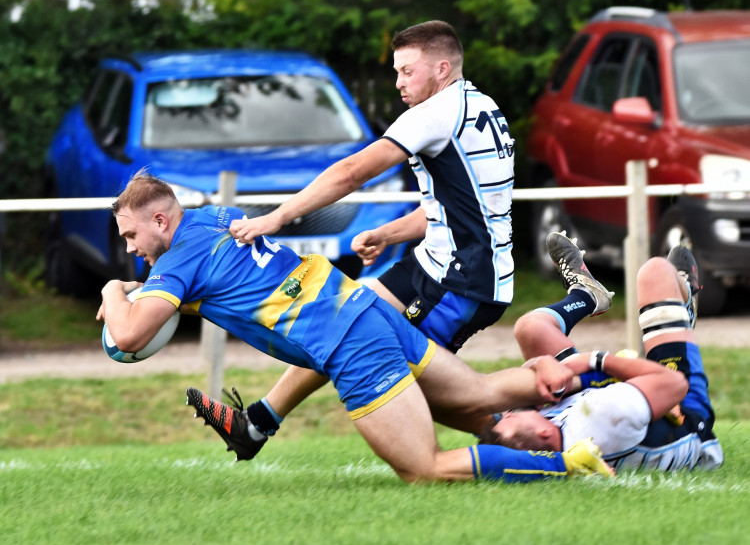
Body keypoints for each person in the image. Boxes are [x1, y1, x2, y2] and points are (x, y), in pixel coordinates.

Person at [97, 170, 614, 484]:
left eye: (131, 234)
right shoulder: (216, 218)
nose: (129, 248)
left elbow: (129, 337)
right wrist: (141, 291)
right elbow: (213, 285)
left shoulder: (176, 264)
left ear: (162, 222)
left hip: (348, 343)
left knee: (424, 469)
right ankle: (602, 373)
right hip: (361, 306)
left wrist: (113, 292)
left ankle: (569, 466)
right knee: (481, 393)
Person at [221, 20, 589, 455]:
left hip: (460, 282)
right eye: (396, 72)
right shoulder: (480, 104)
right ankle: (258, 423)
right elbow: (452, 211)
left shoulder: (436, 114)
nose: (398, 83)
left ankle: (552, 420)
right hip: (433, 265)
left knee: (428, 382)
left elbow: (352, 171)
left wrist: (277, 217)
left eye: (407, 71)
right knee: (341, 316)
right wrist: (386, 232)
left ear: (441, 68)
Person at [480, 232, 723, 471]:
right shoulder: (599, 423)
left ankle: (586, 294)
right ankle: (682, 308)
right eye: (510, 419)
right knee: (656, 273)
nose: (507, 415)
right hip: (682, 406)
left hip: (619, 397)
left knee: (531, 328)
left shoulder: (543, 435)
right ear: (543, 433)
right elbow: (673, 383)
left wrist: (539, 365)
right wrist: (593, 361)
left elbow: (521, 387)